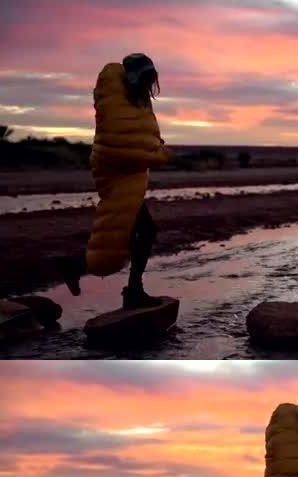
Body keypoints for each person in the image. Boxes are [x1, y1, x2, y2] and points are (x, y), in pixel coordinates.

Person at [58, 53, 173, 309]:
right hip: (115, 171)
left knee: (129, 233)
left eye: (149, 80)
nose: (147, 85)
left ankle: (80, 268)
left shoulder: (137, 101)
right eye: (143, 79)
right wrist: (159, 154)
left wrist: (156, 147)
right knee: (143, 231)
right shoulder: (116, 100)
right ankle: (132, 290)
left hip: (128, 172)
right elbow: (118, 142)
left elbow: (142, 134)